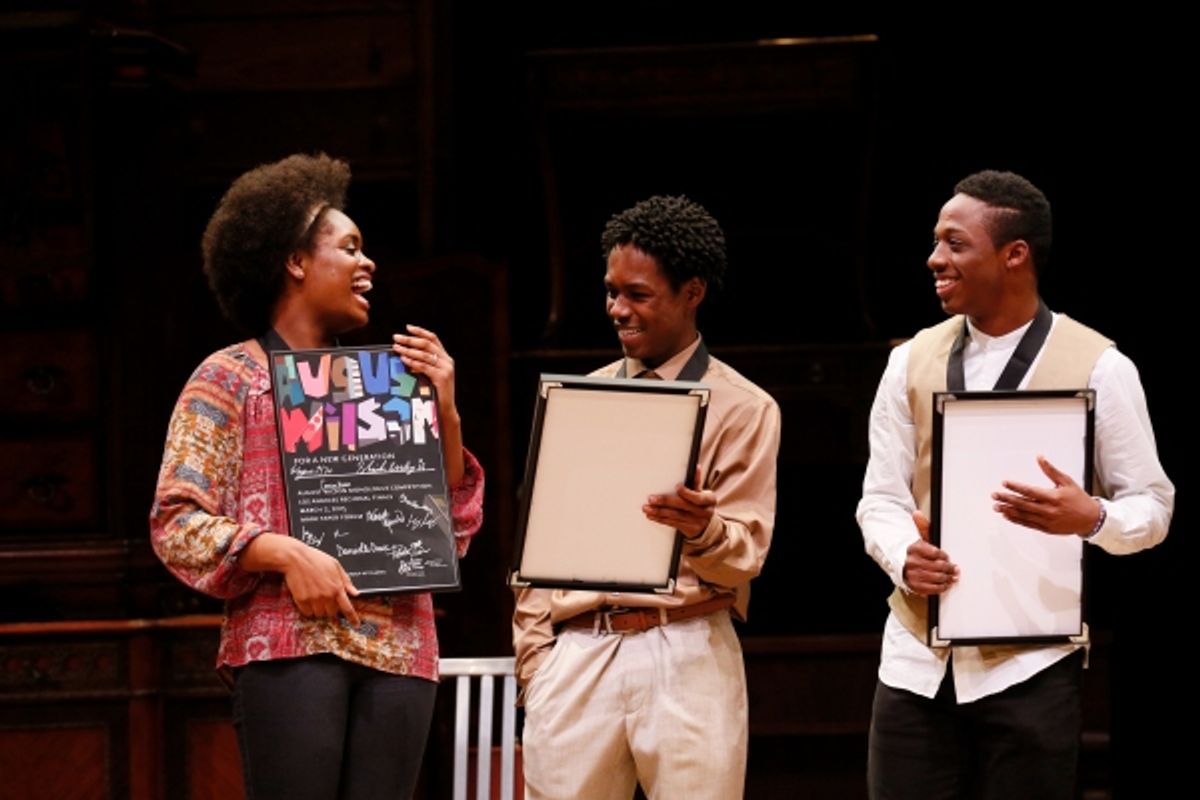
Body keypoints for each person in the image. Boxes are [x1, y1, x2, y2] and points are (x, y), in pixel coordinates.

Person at [150, 153, 484, 800]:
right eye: (349, 247)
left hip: (400, 650)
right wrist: (284, 553)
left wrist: (443, 406)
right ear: (295, 261)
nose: (369, 264)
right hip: (286, 651)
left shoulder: (386, 385)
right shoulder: (230, 379)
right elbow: (177, 522)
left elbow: (448, 529)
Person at [857, 169, 1174, 799]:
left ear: (1014, 254)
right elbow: (881, 499)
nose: (934, 259)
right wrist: (901, 556)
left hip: (1031, 665)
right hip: (916, 666)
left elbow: (1153, 505)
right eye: (936, 242)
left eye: (954, 243)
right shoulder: (909, 360)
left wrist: (1094, 520)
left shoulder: (1101, 367)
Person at [513, 195, 781, 800]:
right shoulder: (580, 398)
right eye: (611, 292)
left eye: (637, 293)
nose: (616, 308)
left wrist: (702, 531)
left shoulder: (744, 407)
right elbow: (538, 540)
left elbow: (746, 559)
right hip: (579, 647)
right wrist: (537, 663)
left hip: (686, 643)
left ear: (692, 291)